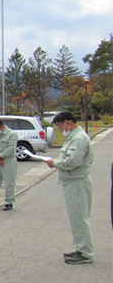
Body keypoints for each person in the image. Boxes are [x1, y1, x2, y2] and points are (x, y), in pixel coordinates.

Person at [46, 112, 95, 264]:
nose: (60, 129)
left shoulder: (78, 139)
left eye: (59, 125)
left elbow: (72, 162)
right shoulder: (73, 138)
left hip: (77, 182)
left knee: (79, 218)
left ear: (67, 122)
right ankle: (80, 248)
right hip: (72, 182)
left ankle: (85, 252)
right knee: (76, 218)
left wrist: (55, 163)